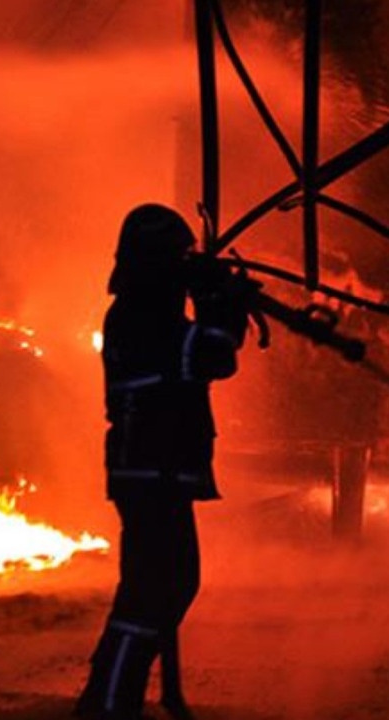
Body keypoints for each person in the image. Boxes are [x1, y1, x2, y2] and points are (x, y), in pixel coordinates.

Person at [75, 204, 250, 720]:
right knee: (155, 593)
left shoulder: (143, 311)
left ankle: (109, 698)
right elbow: (212, 355)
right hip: (153, 472)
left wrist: (216, 299)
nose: (184, 267)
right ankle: (110, 706)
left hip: (157, 471)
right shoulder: (139, 316)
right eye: (178, 257)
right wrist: (220, 302)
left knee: (160, 590)